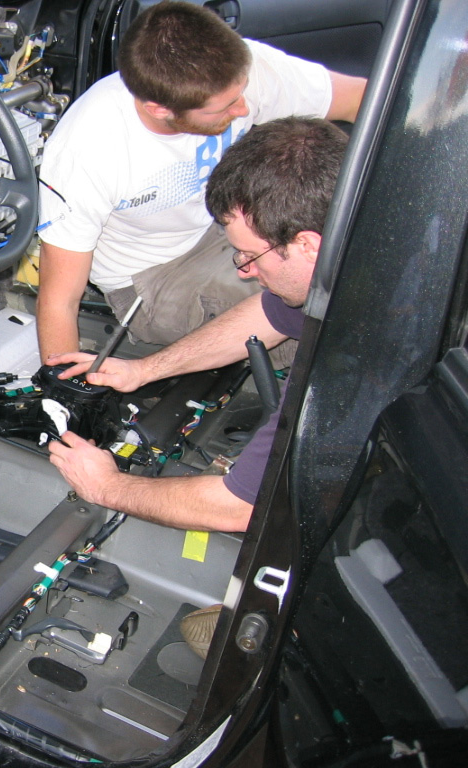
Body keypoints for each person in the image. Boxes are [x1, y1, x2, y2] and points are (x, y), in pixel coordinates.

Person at [46, 117, 349, 532]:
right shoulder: (351, 251)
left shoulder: (350, 358)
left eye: (249, 256)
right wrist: (143, 369)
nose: (243, 271)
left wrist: (106, 485)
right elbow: (267, 314)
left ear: (307, 245)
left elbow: (238, 507)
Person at [36, 1, 365, 359]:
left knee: (360, 270)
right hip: (154, 276)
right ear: (159, 109)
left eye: (241, 94)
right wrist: (61, 400)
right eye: (223, 108)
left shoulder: (236, 74)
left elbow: (362, 101)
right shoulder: (87, 150)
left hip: (227, 226)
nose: (243, 109)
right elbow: (59, 301)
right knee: (327, 324)